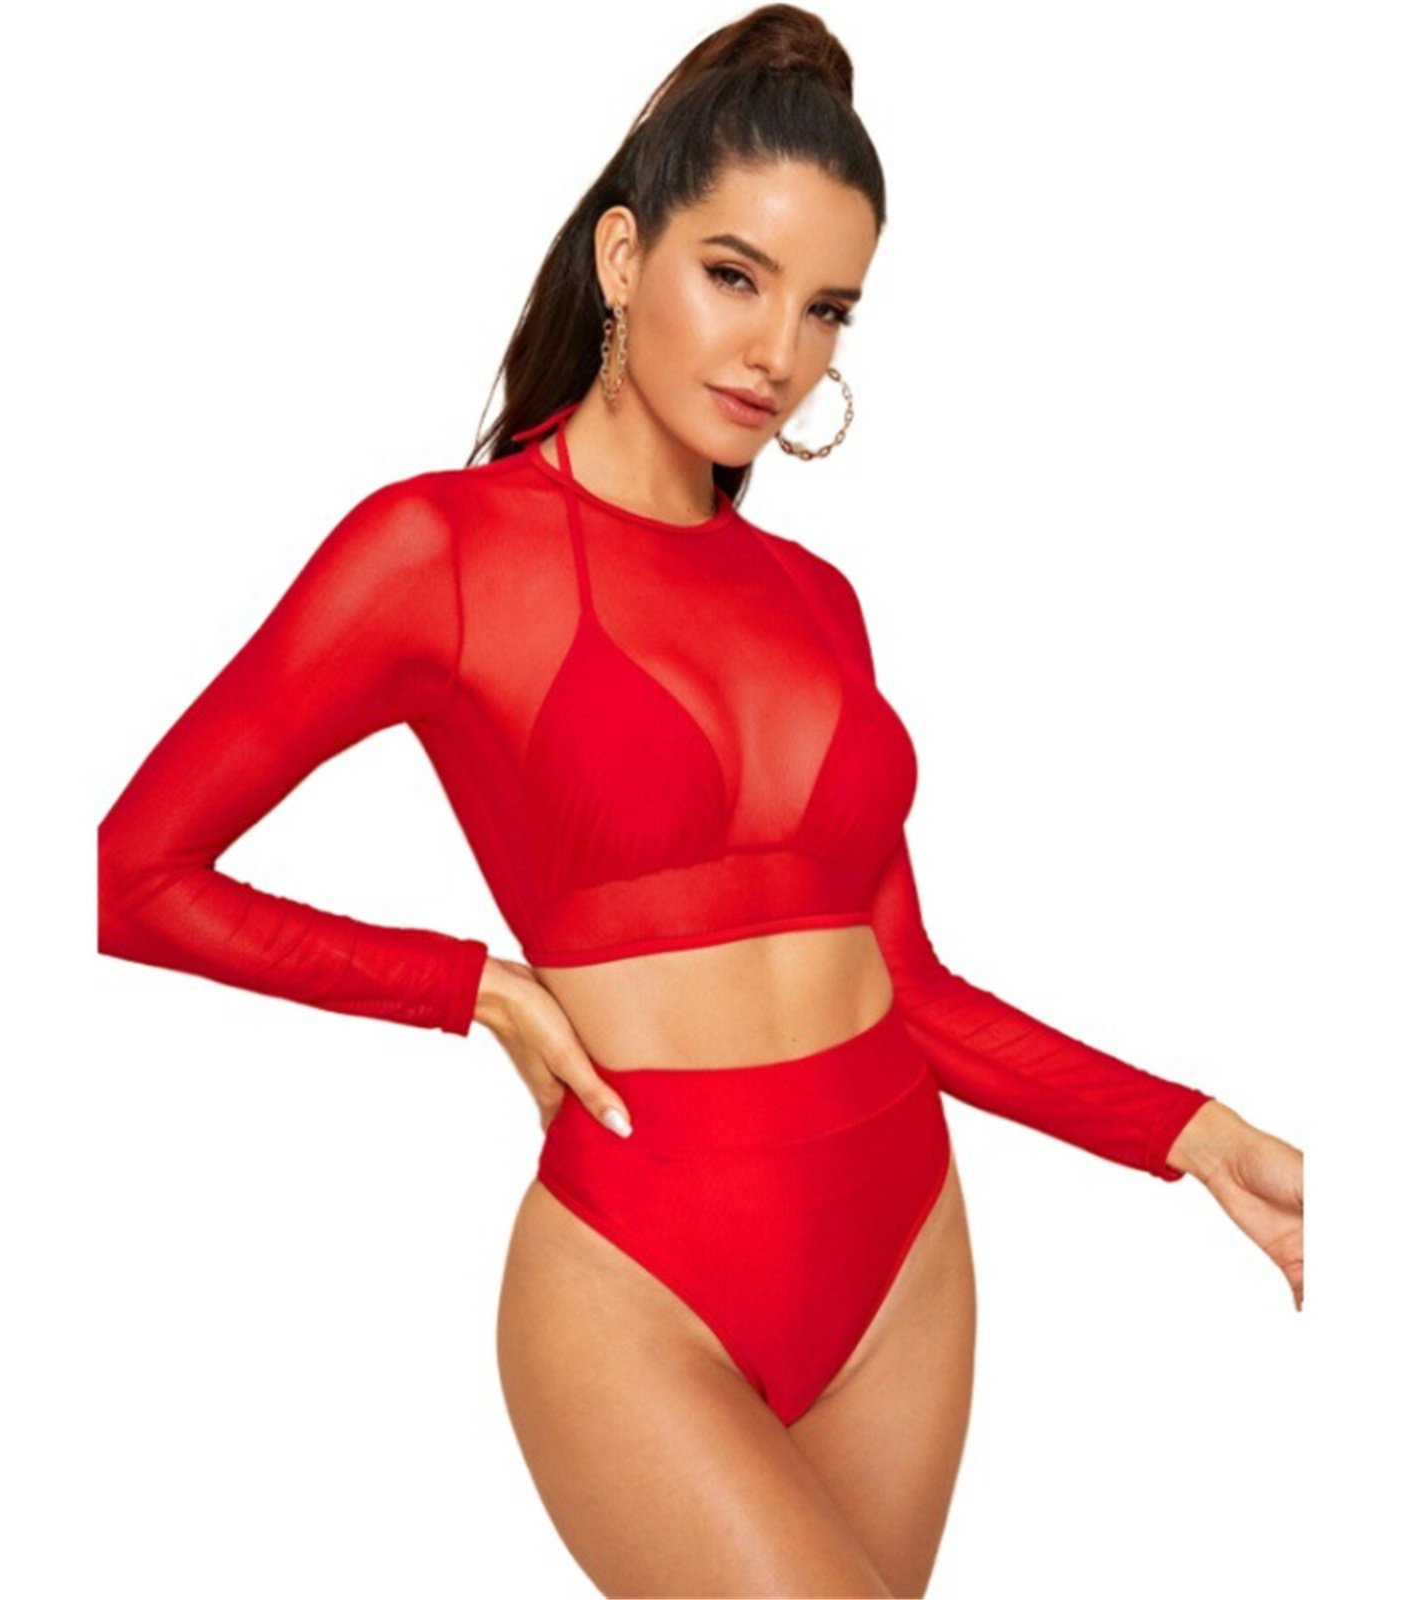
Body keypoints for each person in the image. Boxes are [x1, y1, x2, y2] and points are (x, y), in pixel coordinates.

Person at [96, 5, 1304, 1595]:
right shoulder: (436, 552)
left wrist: (1191, 1132)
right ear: (623, 257)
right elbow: (132, 876)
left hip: (902, 1249)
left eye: (827, 310)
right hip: (641, 1266)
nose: (778, 354)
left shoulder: (817, 601)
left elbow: (909, 985)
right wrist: (472, 988)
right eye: (736, 276)